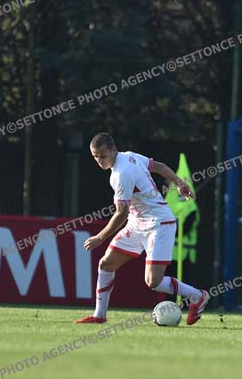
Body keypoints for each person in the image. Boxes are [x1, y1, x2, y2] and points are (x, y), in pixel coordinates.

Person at [76, 133, 209, 325]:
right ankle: (99, 315)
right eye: (95, 157)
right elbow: (159, 167)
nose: (99, 161)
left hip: (159, 224)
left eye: (103, 156)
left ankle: (198, 295)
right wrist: (179, 183)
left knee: (154, 282)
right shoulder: (129, 156)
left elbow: (121, 212)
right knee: (106, 264)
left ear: (113, 150)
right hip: (137, 223)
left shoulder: (122, 173)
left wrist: (100, 237)